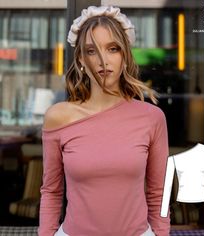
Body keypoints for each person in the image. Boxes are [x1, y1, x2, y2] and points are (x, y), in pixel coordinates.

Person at [38, 5, 170, 236]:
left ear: (125, 55)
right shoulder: (58, 117)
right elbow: (51, 191)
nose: (103, 60)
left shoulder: (152, 118)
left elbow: (158, 193)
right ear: (80, 58)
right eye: (91, 50)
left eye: (112, 48)